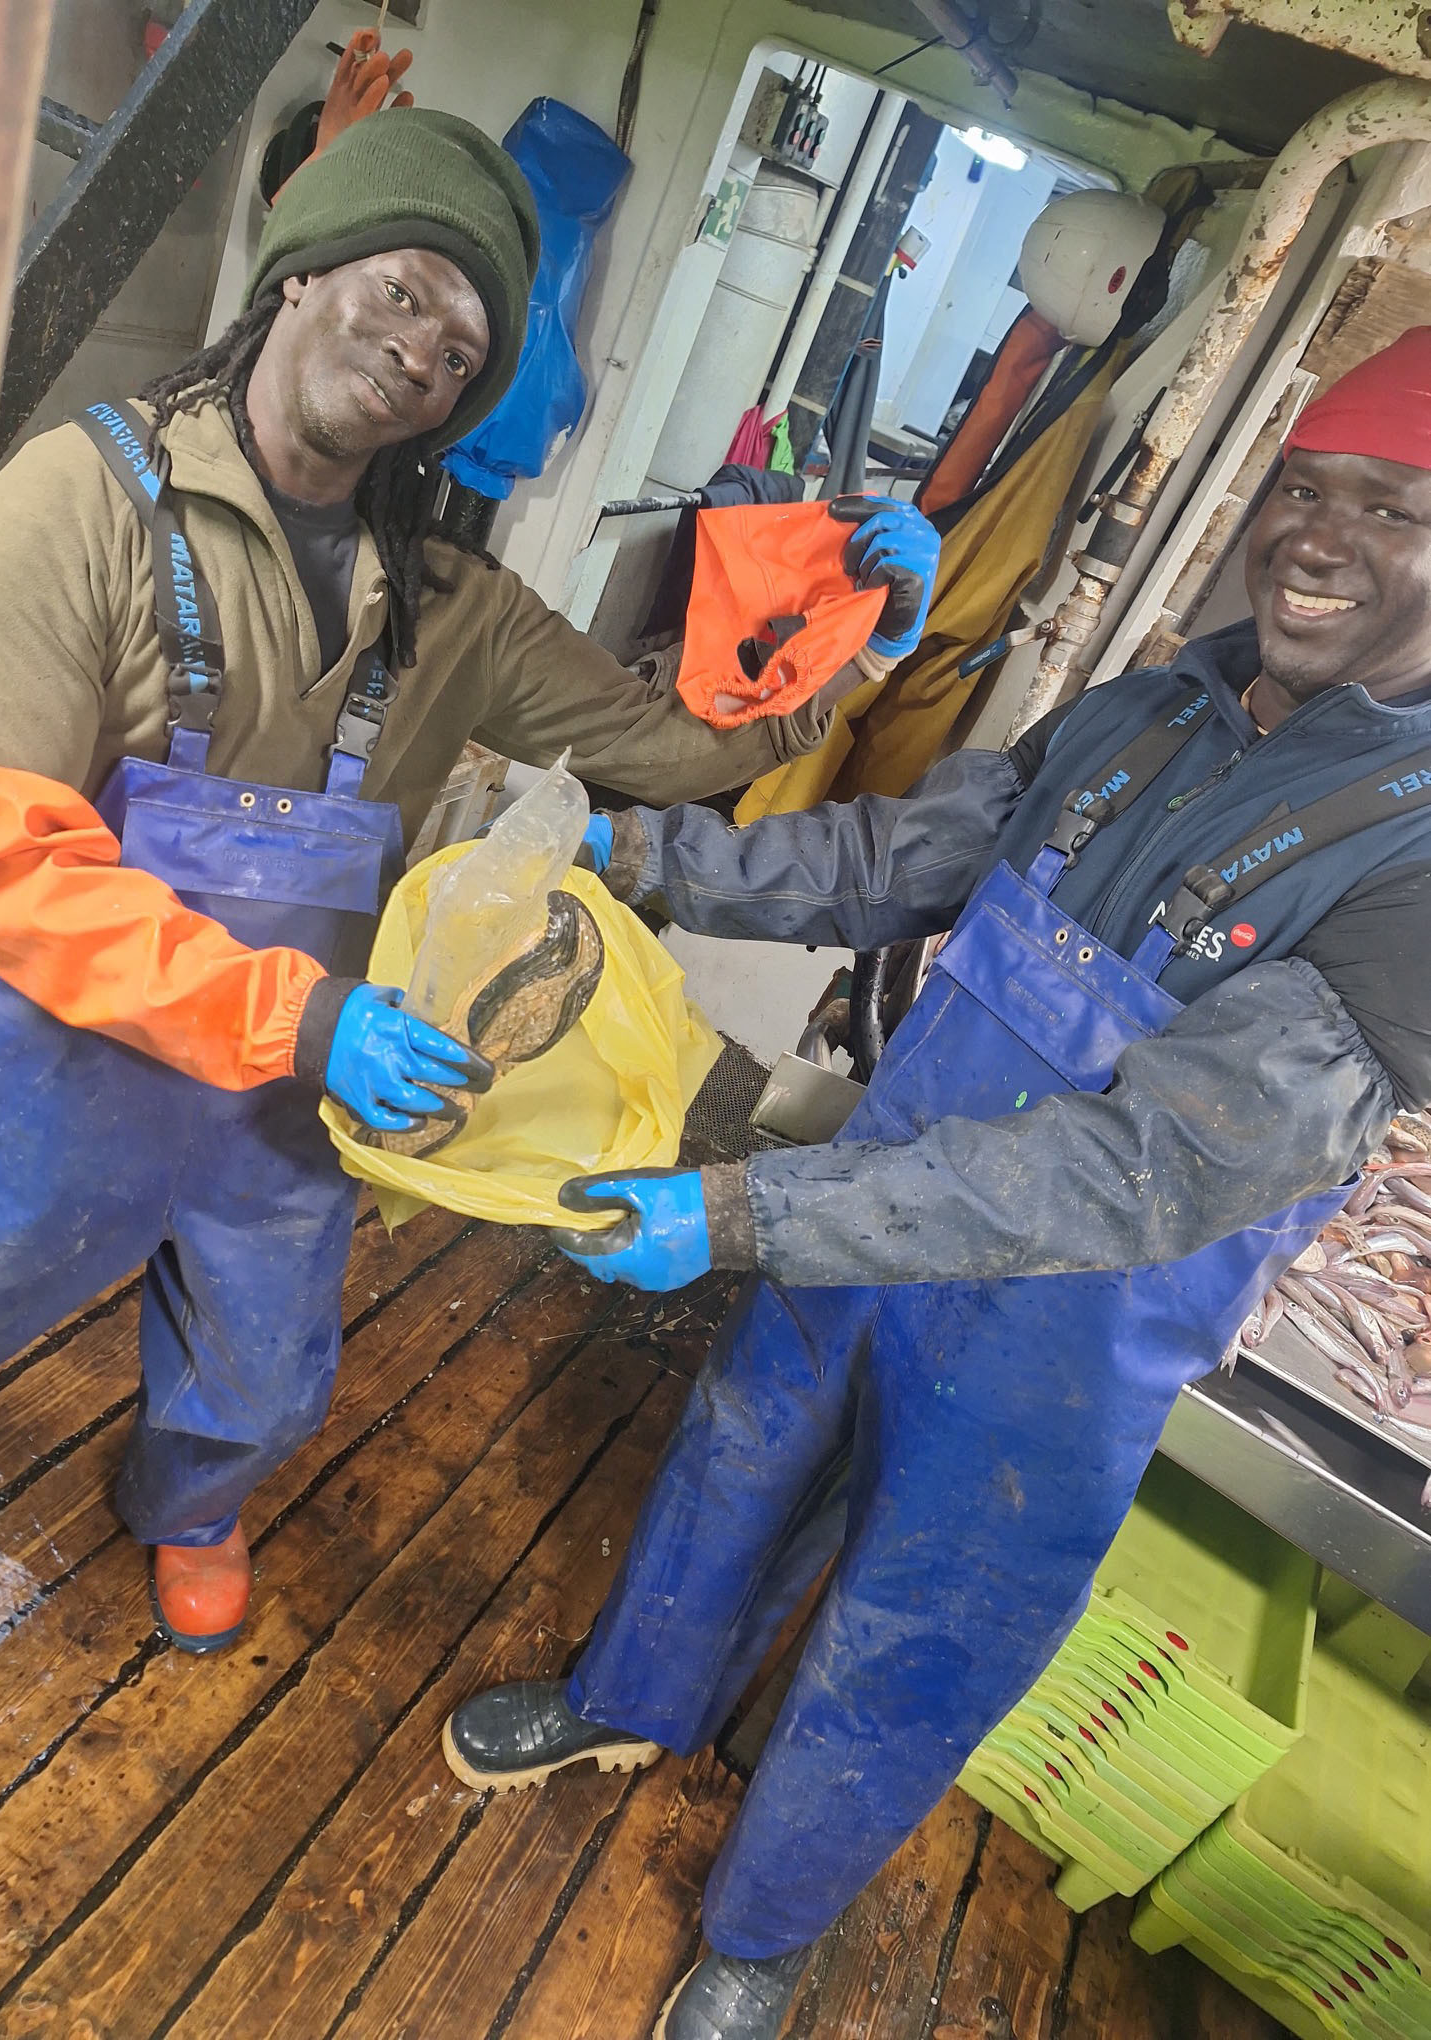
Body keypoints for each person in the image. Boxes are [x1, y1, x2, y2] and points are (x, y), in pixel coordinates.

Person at [443, 327, 1431, 2040]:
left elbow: (1148, 1167)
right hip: (877, 1210)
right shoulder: (1145, 711)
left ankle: (764, 1922)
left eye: (1390, 508)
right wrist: (639, 849)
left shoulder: (1410, 853)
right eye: (1299, 488)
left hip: (1067, 1326)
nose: (1317, 536)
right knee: (738, 1449)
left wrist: (745, 1213)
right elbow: (902, 857)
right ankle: (629, 1701)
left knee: (926, 1619)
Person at [0, 104, 937, 1655]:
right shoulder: (80, 504)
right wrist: (299, 1017)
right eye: (401, 292)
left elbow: (670, 746)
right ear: (302, 273)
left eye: (460, 352)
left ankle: (191, 1500)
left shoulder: (454, 603)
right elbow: (2, 856)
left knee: (263, 1361)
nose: (419, 353)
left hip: (293, 1090)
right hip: (57, 1054)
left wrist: (841, 646)